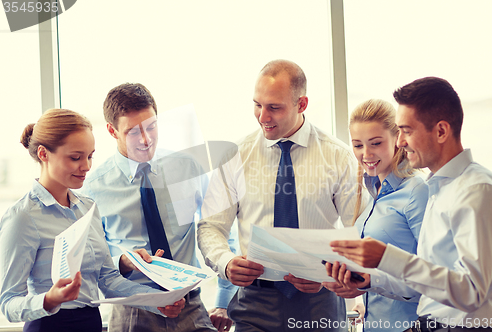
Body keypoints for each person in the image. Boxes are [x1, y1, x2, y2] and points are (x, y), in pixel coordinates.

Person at [197, 59, 366, 332]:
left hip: (320, 300)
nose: (263, 116)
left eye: (274, 107)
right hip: (254, 302)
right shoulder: (236, 156)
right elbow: (210, 227)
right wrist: (226, 262)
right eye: (257, 105)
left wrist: (327, 273)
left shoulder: (338, 156)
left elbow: (360, 232)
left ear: (302, 105)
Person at [330, 77, 492, 331]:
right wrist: (371, 279)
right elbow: (428, 282)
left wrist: (387, 257)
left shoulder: (477, 190)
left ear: (441, 131)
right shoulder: (438, 188)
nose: (400, 142)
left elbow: (471, 291)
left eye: (407, 131)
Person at [0, 109, 184, 332]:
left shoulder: (88, 208)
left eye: (90, 156)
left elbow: (108, 280)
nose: (86, 166)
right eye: (75, 157)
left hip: (91, 324)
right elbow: (9, 303)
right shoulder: (23, 217)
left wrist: (158, 301)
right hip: (49, 325)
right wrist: (49, 299)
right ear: (43, 154)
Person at [82, 83, 234, 332]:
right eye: (132, 132)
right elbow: (92, 264)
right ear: (112, 131)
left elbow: (220, 229)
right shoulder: (93, 188)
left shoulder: (188, 168)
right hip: (133, 310)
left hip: (190, 305)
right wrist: (123, 261)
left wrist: (223, 301)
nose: (145, 139)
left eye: (151, 126)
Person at [323, 99, 429, 331]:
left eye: (376, 143)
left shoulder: (415, 192)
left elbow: (433, 277)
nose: (366, 154)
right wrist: (358, 289)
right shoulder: (370, 191)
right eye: (358, 145)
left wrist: (371, 283)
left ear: (397, 140)